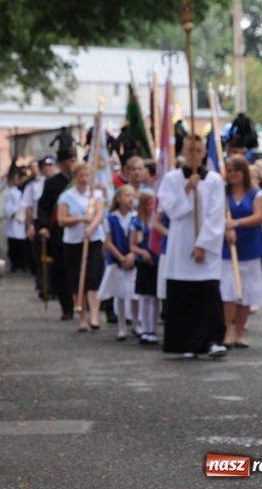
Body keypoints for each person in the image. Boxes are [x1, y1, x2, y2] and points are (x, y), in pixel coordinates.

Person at [157, 135, 227, 359]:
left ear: (204, 153)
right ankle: (185, 343)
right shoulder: (171, 179)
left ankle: (212, 341)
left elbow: (216, 216)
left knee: (208, 293)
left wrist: (202, 245)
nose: (194, 154)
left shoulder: (215, 180)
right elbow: (171, 210)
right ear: (183, 152)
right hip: (180, 243)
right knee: (183, 296)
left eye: (198, 150)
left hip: (205, 245)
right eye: (190, 150)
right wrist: (187, 189)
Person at [221, 156, 262, 348]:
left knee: (246, 290)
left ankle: (240, 333)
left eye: (236, 170)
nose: (232, 174)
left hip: (249, 245)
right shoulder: (223, 194)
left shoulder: (256, 193)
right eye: (229, 170)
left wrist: (237, 223)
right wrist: (226, 228)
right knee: (228, 290)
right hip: (227, 245)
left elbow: (258, 216)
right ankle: (228, 330)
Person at [58, 162, 106, 332]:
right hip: (73, 241)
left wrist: (91, 227)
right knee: (76, 279)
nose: (84, 179)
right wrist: (80, 219)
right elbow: (62, 220)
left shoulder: (96, 195)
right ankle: (82, 317)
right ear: (75, 178)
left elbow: (99, 214)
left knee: (93, 276)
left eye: (87, 176)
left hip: (93, 239)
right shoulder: (66, 197)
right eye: (81, 176)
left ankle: (94, 316)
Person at [36, 128, 78, 320]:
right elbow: (43, 207)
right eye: (71, 161)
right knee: (61, 271)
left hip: (79, 230)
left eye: (75, 160)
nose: (74, 164)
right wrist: (43, 226)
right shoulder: (52, 183)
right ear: (62, 164)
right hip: (60, 232)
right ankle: (67, 307)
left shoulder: (81, 182)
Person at [96, 184, 137, 341]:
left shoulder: (136, 218)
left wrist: (132, 255)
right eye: (127, 195)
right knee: (120, 294)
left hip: (133, 261)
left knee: (134, 294)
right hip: (118, 261)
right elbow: (108, 242)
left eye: (132, 195)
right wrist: (121, 257)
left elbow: (139, 241)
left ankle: (136, 324)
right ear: (118, 198)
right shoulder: (111, 219)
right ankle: (121, 326)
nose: (130, 199)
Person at [22, 155, 58, 292]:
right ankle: (43, 284)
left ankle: (54, 286)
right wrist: (30, 225)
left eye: (51, 166)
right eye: (46, 166)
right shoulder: (33, 185)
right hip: (39, 222)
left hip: (54, 222)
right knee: (41, 256)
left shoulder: (58, 183)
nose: (48, 168)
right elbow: (29, 207)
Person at [130, 189, 159, 346]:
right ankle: (144, 328)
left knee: (155, 298)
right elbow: (133, 246)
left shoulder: (157, 221)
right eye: (148, 204)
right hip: (144, 263)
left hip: (156, 262)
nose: (151, 206)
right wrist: (143, 253)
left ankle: (152, 329)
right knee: (145, 296)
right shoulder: (137, 223)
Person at [4, 167, 30, 273]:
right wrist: (15, 212)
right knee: (14, 245)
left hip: (25, 219)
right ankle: (15, 264)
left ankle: (24, 264)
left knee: (24, 245)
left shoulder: (27, 189)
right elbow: (8, 206)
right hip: (15, 219)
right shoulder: (12, 192)